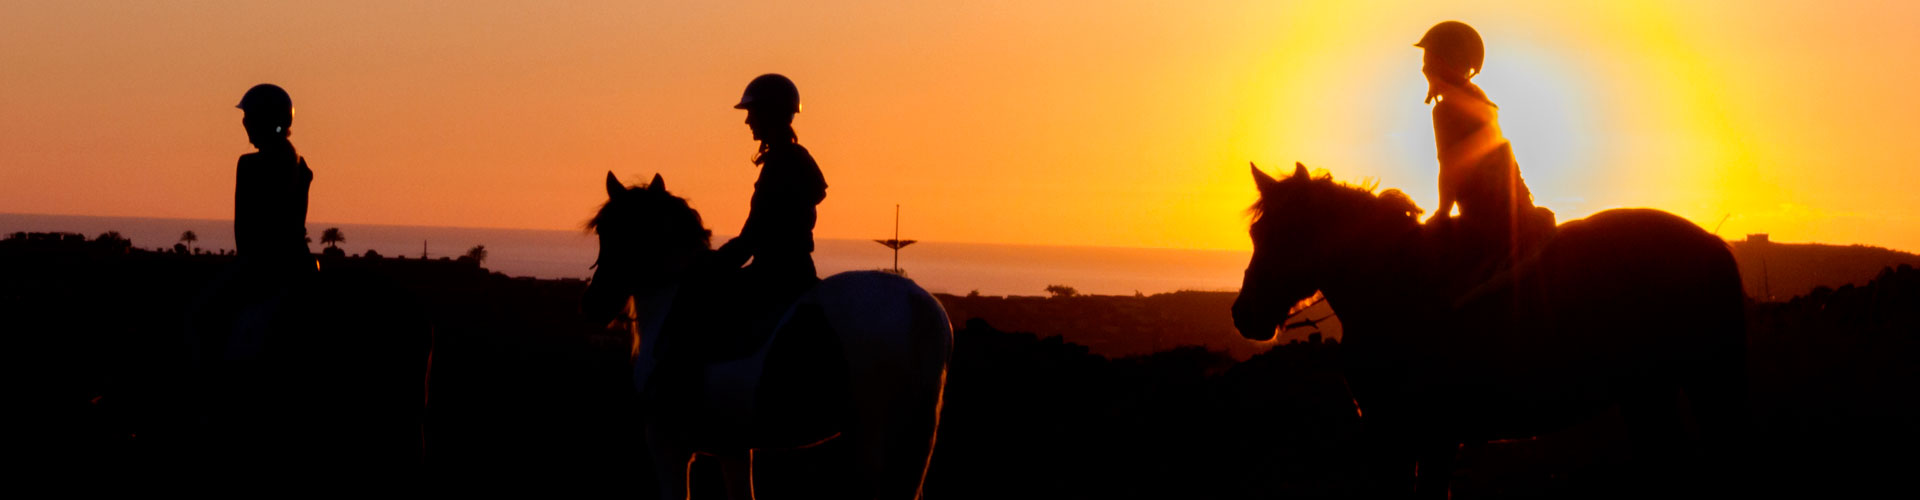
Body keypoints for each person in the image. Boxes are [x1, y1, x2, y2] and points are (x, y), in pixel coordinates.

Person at [1417, 21, 1551, 266]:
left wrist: (1442, 215)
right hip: (1516, 210)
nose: (1424, 68)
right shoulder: (1477, 97)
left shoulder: (1446, 108)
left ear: (1442, 62)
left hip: (1487, 219)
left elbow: (1450, 167)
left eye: (1428, 60)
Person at [717, 73, 828, 307]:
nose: (747, 121)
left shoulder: (781, 164)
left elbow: (754, 233)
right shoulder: (794, 159)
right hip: (797, 271)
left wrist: (712, 264)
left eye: (751, 113)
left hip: (774, 277)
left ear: (769, 114)